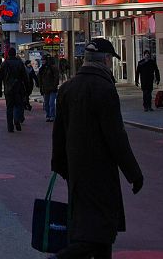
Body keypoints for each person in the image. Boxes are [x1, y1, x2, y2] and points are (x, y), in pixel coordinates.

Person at [51, 38, 144, 259]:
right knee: (98, 231)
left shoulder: (67, 88)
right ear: (105, 60)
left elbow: (59, 133)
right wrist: (134, 174)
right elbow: (116, 137)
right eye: (111, 59)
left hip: (76, 170)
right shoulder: (104, 88)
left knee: (92, 229)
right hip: (100, 172)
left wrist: (60, 165)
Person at [0, 47, 29, 133]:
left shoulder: (4, 64)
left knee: (9, 107)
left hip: (8, 88)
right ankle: (17, 119)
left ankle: (10, 127)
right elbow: (25, 77)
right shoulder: (20, 63)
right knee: (19, 105)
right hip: (18, 88)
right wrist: (27, 89)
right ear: (15, 54)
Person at [39, 54, 60, 122]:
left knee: (51, 103)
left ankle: (52, 116)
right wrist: (40, 86)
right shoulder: (42, 69)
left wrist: (55, 85)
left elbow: (56, 77)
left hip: (52, 88)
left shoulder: (52, 68)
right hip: (45, 88)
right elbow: (40, 78)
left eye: (44, 60)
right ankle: (48, 115)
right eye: (42, 60)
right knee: (46, 103)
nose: (42, 61)